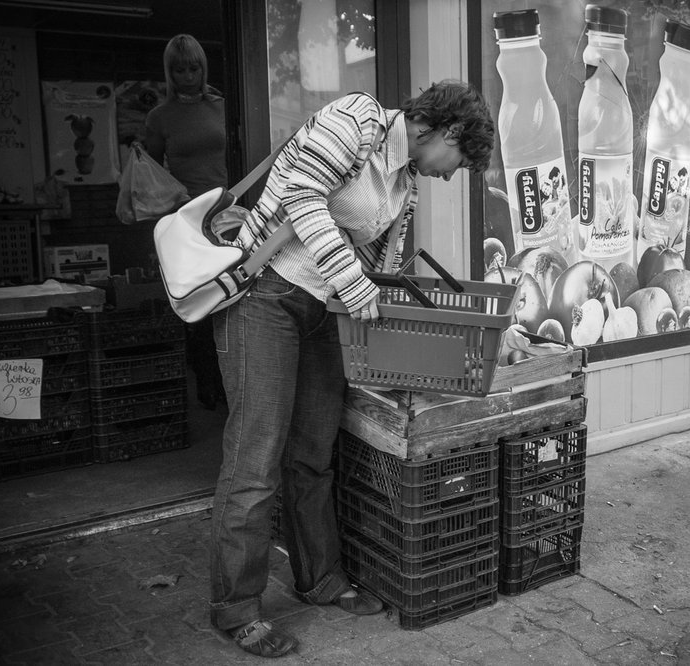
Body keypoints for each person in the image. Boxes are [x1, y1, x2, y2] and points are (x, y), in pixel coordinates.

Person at [209, 81, 494, 658]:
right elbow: (301, 194)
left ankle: (318, 579)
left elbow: (378, 263)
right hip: (265, 296)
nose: (452, 175)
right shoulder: (358, 119)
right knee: (255, 458)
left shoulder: (406, 181)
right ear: (446, 131)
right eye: (460, 161)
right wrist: (351, 280)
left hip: (325, 312)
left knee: (312, 453)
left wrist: (393, 323)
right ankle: (235, 607)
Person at [144, 33, 227, 410]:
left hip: (226, 213)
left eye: (194, 68)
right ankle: (207, 381)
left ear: (203, 68)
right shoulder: (159, 117)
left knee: (228, 294)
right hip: (186, 218)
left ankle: (227, 378)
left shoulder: (222, 106)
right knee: (197, 300)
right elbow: (152, 174)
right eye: (179, 70)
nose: (188, 76)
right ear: (169, 72)